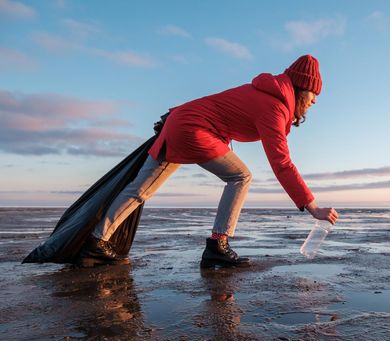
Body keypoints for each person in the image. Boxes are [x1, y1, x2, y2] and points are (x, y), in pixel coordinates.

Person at [79, 54, 339, 268]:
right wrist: (312, 207)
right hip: (191, 129)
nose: (315, 100)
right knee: (240, 176)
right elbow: (281, 162)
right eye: (313, 94)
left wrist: (172, 116)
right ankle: (217, 244)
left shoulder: (266, 93)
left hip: (183, 123)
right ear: (301, 89)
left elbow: (212, 102)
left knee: (140, 189)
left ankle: (96, 241)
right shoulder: (274, 107)